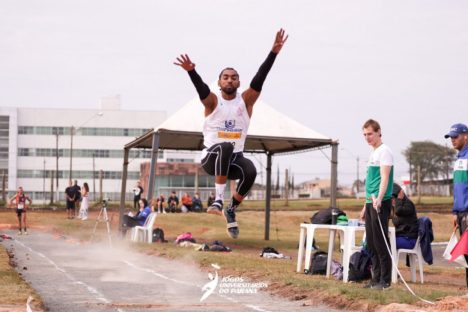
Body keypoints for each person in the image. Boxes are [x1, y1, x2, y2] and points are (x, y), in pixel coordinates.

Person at [174, 28, 288, 238]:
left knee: (251, 170)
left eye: (234, 78)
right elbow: (201, 90)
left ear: (238, 82)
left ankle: (230, 208)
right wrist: (191, 71)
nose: (229, 80)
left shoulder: (245, 101)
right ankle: (217, 199)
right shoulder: (213, 102)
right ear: (219, 82)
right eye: (225, 78)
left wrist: (273, 53)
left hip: (235, 159)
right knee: (225, 146)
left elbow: (259, 79)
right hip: (211, 158)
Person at [359, 119, 394, 290]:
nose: (367, 137)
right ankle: (375, 278)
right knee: (371, 242)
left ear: (379, 132)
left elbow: (384, 177)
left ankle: (385, 281)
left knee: (381, 242)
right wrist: (366, 204)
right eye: (365, 134)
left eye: (370, 134)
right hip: (370, 202)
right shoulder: (373, 152)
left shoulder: (384, 151)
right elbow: (371, 181)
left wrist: (379, 198)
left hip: (381, 202)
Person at [444, 123, 468, 287]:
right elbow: (458, 188)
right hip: (460, 213)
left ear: (465, 136)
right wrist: (454, 211)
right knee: (465, 254)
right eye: (451, 137)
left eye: (456, 136)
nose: (453, 140)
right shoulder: (459, 158)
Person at [391, 183, 418, 250]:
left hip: (409, 239)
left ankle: (391, 260)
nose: (392, 200)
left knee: (386, 243)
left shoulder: (408, 204)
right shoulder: (396, 206)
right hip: (402, 237)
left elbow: (398, 211)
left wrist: (399, 199)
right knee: (380, 241)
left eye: (394, 198)